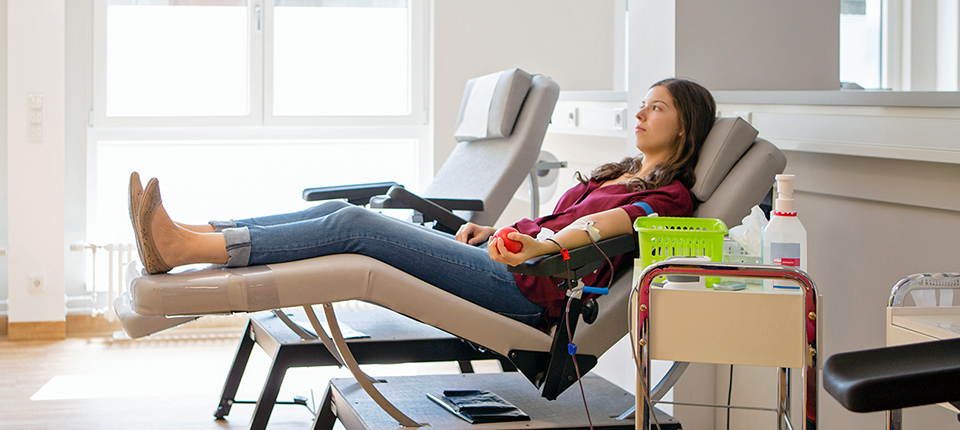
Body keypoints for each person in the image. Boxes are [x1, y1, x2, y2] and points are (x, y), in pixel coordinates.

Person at [129, 78, 716, 330]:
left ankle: (185, 247)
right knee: (342, 219)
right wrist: (497, 232)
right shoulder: (621, 173)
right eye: (642, 104)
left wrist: (539, 247)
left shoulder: (668, 196)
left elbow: (602, 228)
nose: (640, 113)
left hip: (529, 290)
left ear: (686, 126)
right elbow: (566, 218)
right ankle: (193, 232)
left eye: (657, 107)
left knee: (357, 223)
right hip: (509, 262)